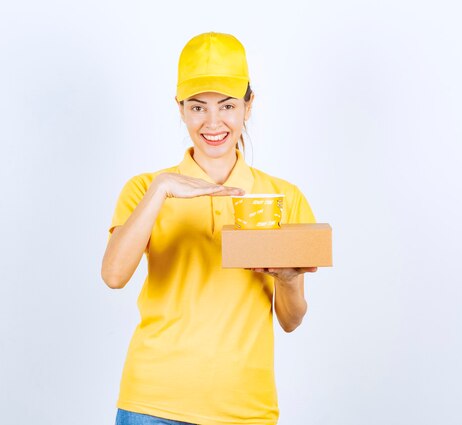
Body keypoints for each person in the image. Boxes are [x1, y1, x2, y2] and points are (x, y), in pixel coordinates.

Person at [102, 32, 318, 425]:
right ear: (180, 109)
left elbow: (290, 320)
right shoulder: (145, 188)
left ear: (249, 106)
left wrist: (287, 280)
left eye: (228, 105)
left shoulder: (283, 197)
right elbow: (114, 276)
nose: (213, 122)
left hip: (247, 410)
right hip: (155, 404)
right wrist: (162, 189)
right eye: (198, 107)